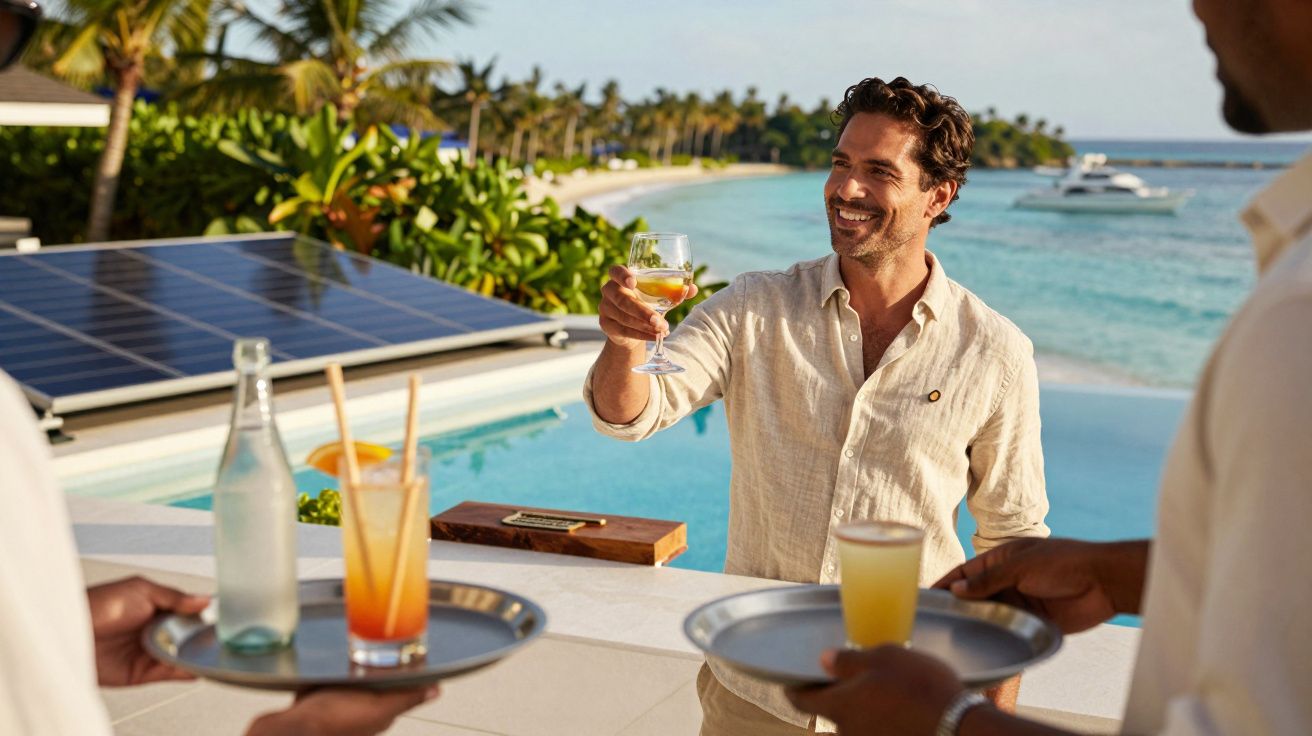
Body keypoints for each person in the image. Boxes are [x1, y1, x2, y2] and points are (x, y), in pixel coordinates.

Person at [785, 1, 1312, 734]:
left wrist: (947, 722)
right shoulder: (1293, 286)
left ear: (938, 198)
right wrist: (1118, 572)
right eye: (842, 163)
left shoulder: (1299, 309)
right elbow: (1292, 581)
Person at [587, 76, 1051, 734]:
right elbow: (636, 409)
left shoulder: (994, 352)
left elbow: (1013, 549)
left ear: (937, 196)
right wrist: (625, 344)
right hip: (754, 700)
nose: (846, 190)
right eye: (840, 164)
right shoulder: (754, 307)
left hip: (908, 707)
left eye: (878, 172)